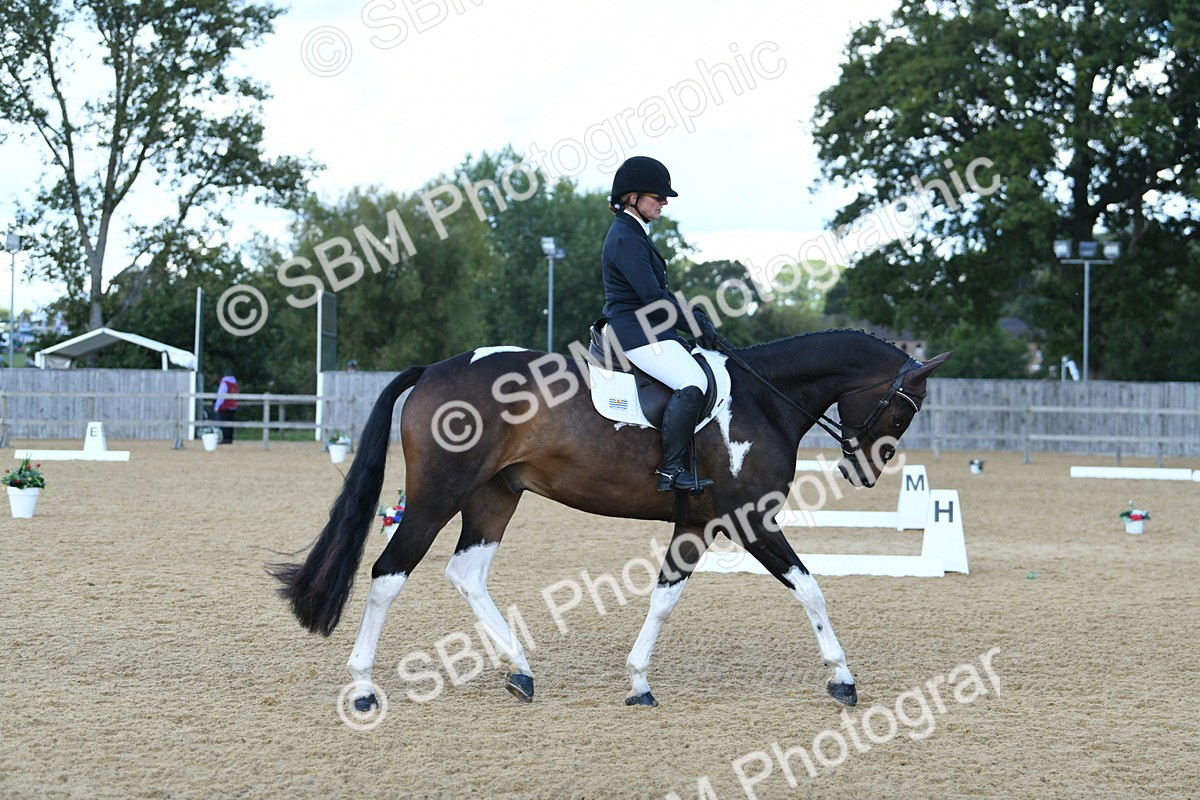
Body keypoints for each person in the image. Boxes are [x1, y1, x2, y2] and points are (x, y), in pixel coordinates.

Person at [601, 156, 720, 493]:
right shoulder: (625, 237)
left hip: (650, 328)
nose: (665, 202)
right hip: (635, 332)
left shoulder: (635, 233)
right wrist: (692, 323)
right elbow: (653, 297)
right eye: (658, 197)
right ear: (632, 198)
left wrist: (693, 316)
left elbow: (661, 292)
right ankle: (670, 472)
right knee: (693, 381)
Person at [214, 368, 239, 444]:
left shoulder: (224, 383)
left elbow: (221, 396)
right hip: (233, 406)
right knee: (230, 422)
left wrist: (217, 406)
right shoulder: (235, 384)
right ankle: (229, 439)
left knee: (224, 423)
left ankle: (225, 439)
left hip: (225, 406)